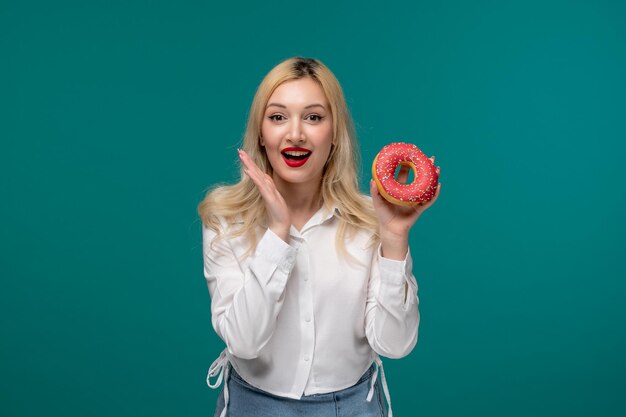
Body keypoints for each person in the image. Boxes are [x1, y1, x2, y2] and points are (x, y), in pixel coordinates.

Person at [197, 56, 441, 417]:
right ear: (261, 134)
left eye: (313, 117)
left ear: (335, 134)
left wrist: (393, 239)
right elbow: (244, 343)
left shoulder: (372, 219)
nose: (295, 133)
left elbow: (394, 345)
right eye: (278, 116)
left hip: (355, 406)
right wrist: (278, 233)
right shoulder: (225, 219)